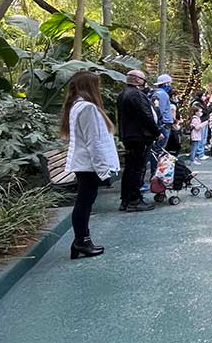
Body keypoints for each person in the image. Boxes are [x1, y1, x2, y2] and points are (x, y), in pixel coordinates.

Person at [61, 71, 119, 259]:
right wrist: (103, 170)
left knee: (84, 203)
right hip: (88, 165)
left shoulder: (77, 106)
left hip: (84, 164)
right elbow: (94, 142)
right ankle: (81, 241)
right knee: (84, 203)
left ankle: (82, 240)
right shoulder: (88, 108)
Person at [116, 69, 158, 212]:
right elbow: (146, 116)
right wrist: (156, 132)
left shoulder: (122, 94)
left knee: (129, 168)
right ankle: (134, 200)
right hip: (139, 136)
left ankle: (126, 199)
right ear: (138, 80)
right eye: (143, 79)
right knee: (137, 169)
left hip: (128, 136)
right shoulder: (137, 95)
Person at [153, 74, 175, 148]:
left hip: (163, 124)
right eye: (169, 83)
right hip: (164, 124)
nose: (170, 85)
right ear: (165, 83)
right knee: (159, 148)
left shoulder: (156, 93)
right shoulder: (163, 94)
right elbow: (159, 111)